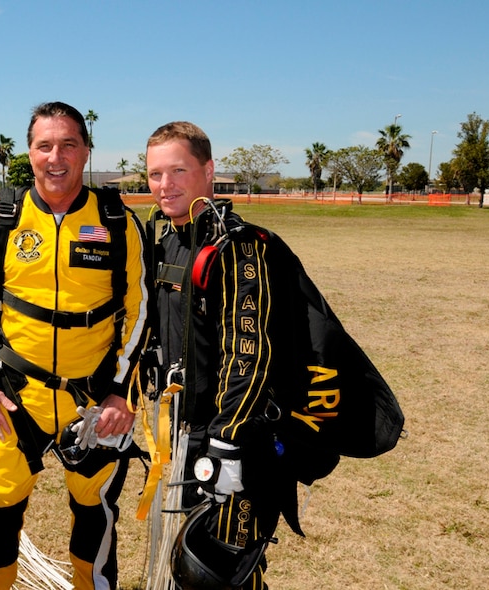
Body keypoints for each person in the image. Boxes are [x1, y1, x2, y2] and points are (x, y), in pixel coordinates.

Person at [0, 101, 149, 590]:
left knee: (96, 517)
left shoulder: (119, 222)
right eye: (45, 145)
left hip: (95, 404)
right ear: (29, 152)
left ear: (85, 151)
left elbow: (141, 312)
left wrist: (122, 391)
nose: (55, 156)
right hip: (15, 400)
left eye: (68, 145)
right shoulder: (0, 219)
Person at [143, 121, 293, 589]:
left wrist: (227, 441)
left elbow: (248, 351)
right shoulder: (163, 237)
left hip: (231, 437)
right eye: (154, 174)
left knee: (220, 568)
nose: (164, 185)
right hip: (179, 427)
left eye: (178, 171)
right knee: (180, 557)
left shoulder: (238, 246)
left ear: (208, 171)